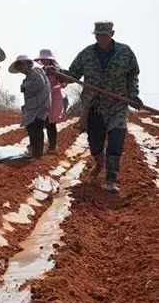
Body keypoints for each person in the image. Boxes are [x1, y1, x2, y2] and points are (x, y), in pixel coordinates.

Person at [54, 21, 142, 193]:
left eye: (104, 35)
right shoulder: (86, 54)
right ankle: (99, 163)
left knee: (116, 142)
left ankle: (111, 179)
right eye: (98, 35)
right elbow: (72, 75)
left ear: (112, 34)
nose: (101, 38)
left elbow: (133, 74)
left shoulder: (125, 53)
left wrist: (133, 93)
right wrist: (58, 73)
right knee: (95, 143)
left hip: (117, 105)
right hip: (94, 105)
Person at [9, 55, 51, 159]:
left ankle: (36, 153)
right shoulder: (33, 72)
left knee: (35, 129)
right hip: (38, 105)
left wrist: (25, 85)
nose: (20, 70)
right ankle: (35, 152)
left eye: (20, 67)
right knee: (34, 128)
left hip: (38, 105)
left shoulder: (34, 71)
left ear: (25, 63)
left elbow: (39, 84)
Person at [34, 49, 64, 154]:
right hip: (43, 99)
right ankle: (38, 147)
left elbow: (64, 83)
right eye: (42, 59)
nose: (43, 61)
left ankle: (52, 147)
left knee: (51, 123)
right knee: (40, 122)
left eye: (45, 59)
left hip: (54, 98)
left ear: (50, 59)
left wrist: (57, 79)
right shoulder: (40, 71)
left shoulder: (57, 70)